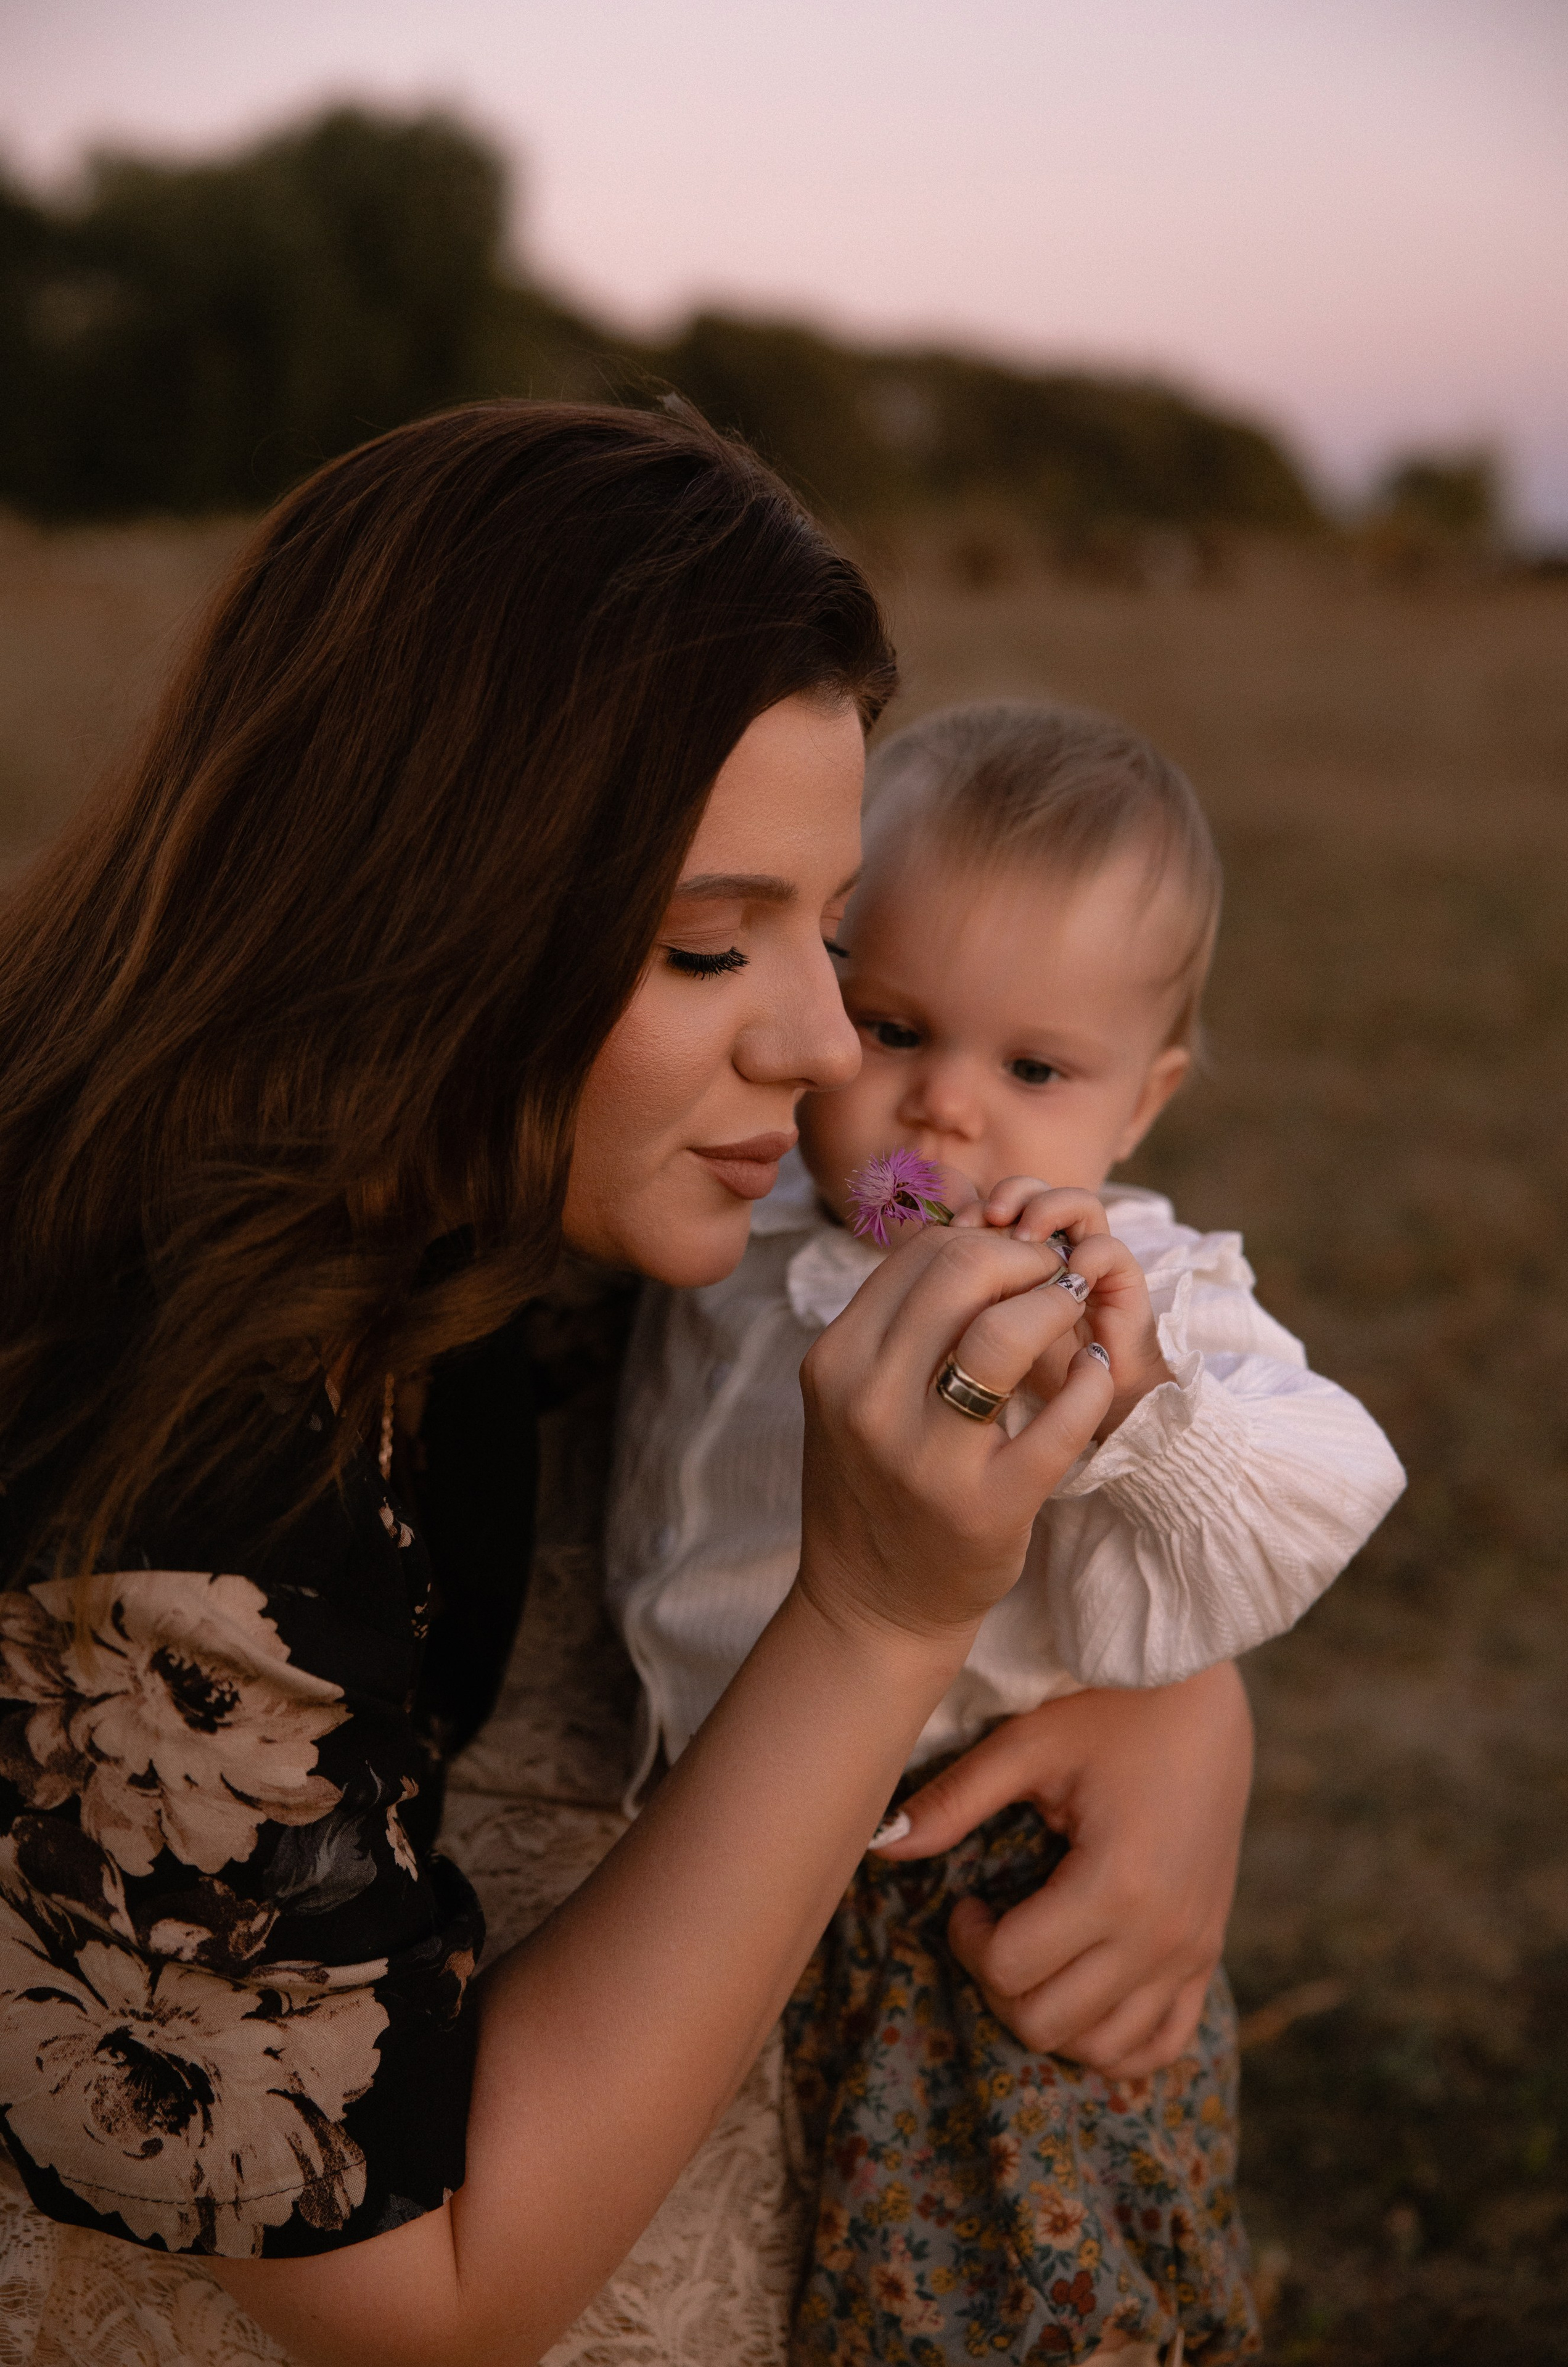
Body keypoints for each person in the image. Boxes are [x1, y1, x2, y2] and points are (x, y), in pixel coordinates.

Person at [0, 407, 1257, 2367]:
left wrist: (1179, 1697)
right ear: (426, 913)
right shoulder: (162, 1492)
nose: (826, 1041)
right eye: (701, 947)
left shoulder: (467, 1170)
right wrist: (881, 1619)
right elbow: (422, 2305)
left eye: (828, 934)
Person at [608, 701, 1406, 2362]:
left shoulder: (1132, 1286)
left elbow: (1331, 1477)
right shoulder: (746, 1199)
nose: (944, 1111)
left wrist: (1127, 1405)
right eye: (894, 1025)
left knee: (1005, 2296)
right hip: (722, 1843)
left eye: (1033, 1068)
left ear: (1142, 1099)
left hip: (969, 1894)